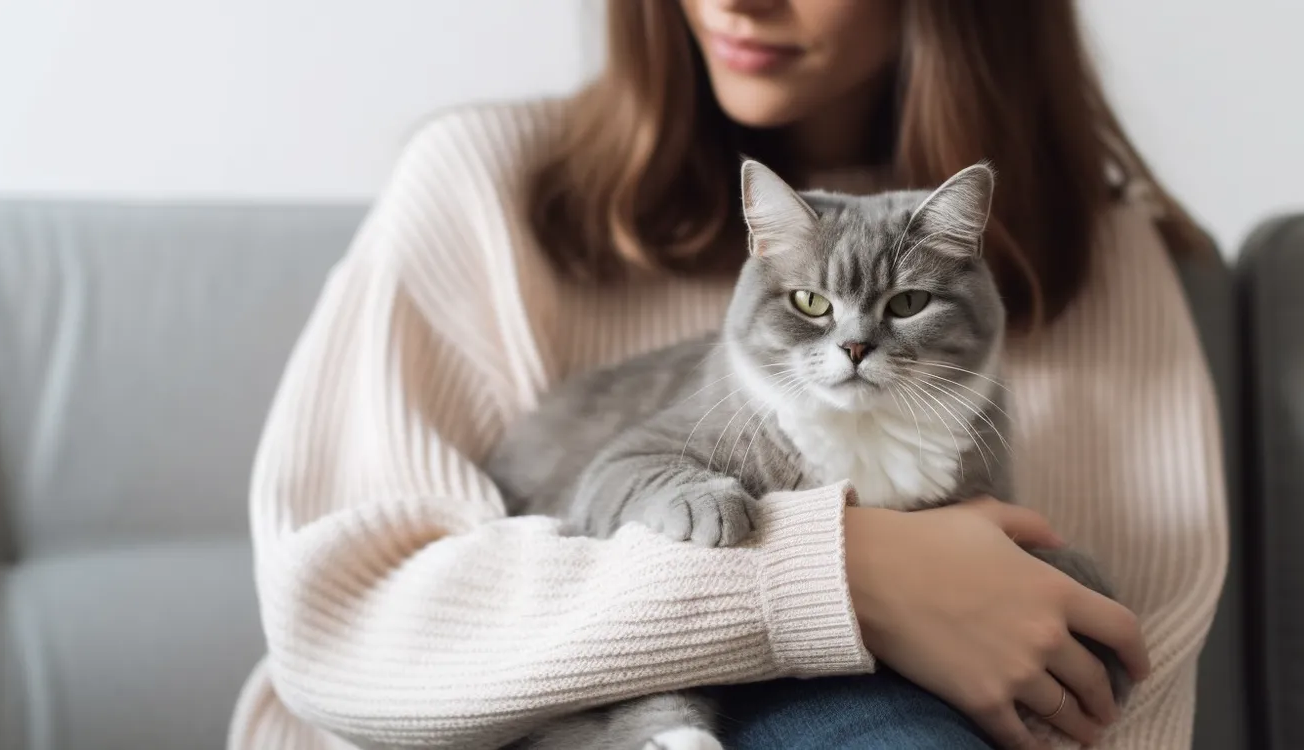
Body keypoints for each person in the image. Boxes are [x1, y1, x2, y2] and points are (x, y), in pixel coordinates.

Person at [227, 1, 1227, 748]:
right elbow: (343, 622)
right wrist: (842, 578)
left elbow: (1126, 667)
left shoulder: (1097, 246)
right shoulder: (478, 180)